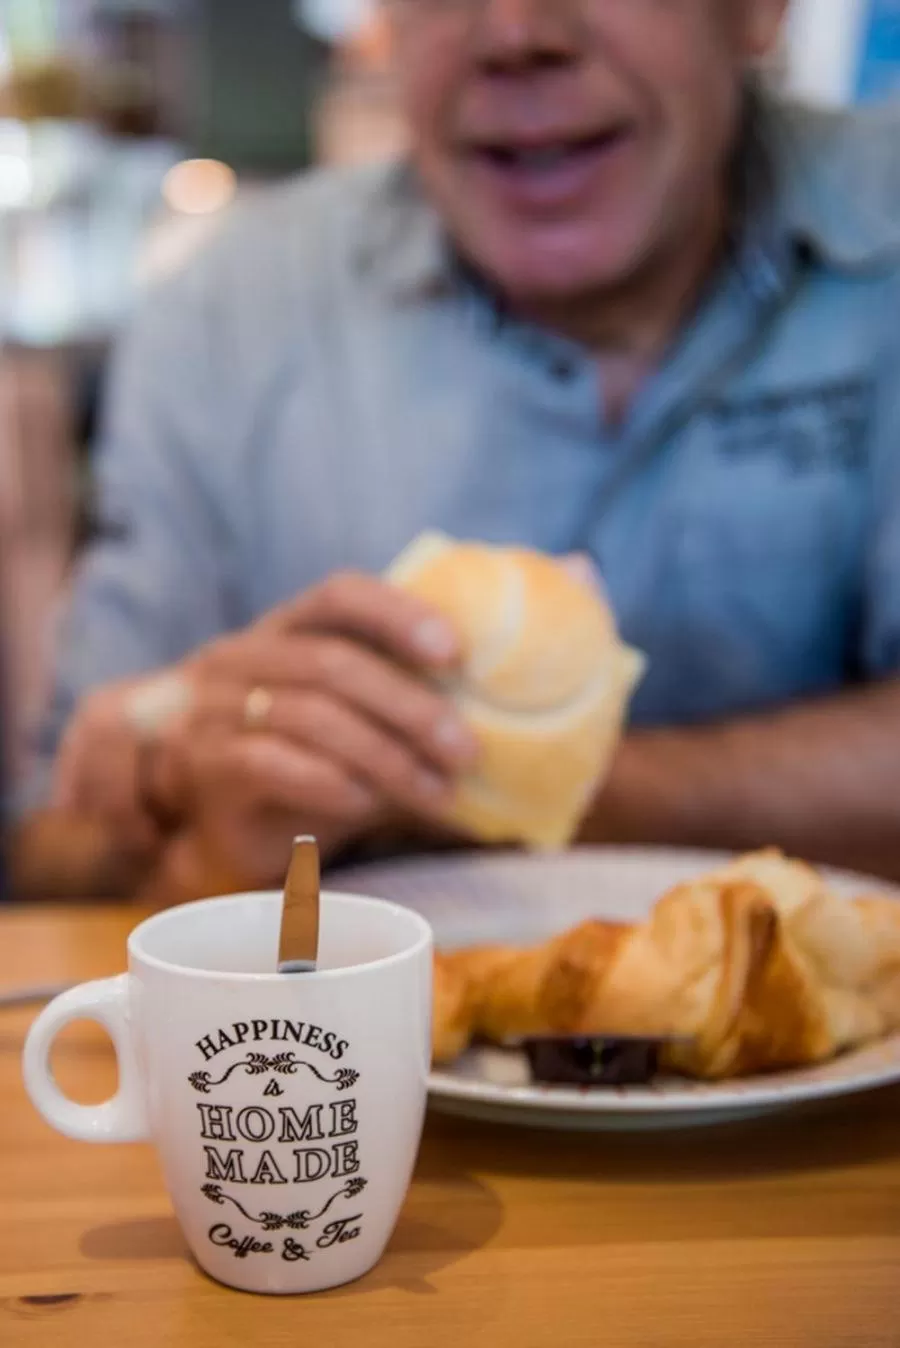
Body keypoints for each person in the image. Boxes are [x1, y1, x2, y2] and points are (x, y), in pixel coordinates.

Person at [13, 0, 900, 903]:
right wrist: (188, 816)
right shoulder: (225, 311)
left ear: (759, 12)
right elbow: (57, 845)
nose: (516, 31)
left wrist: (423, 790)